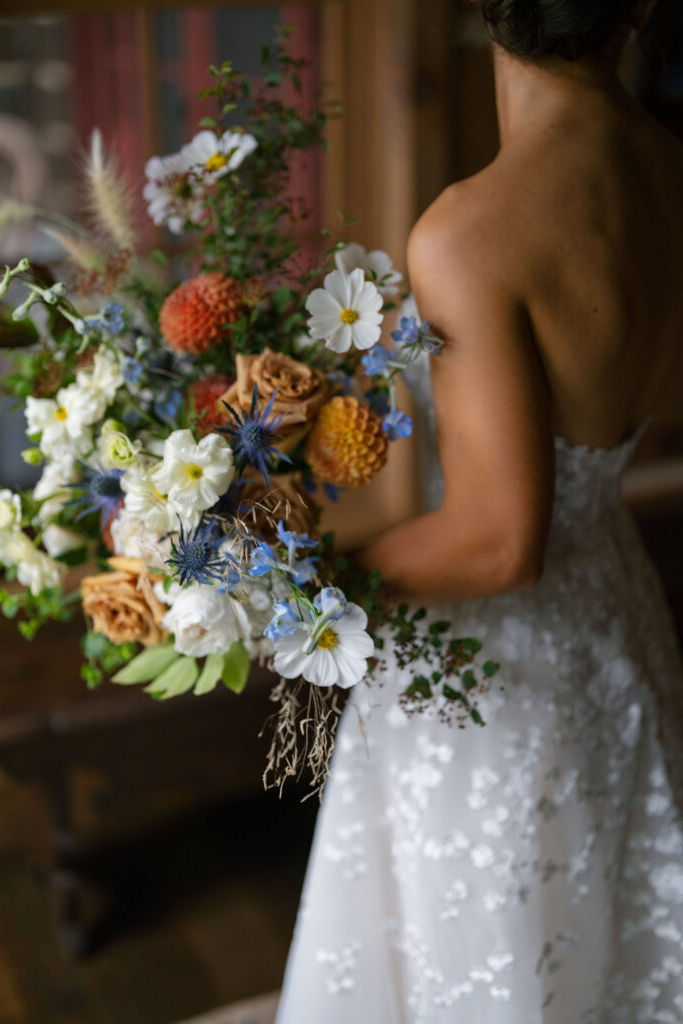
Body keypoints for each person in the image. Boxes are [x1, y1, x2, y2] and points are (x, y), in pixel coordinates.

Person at [275, 0, 683, 1020]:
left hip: (504, 685)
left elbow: (501, 543)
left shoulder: (470, 230)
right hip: (626, 625)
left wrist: (295, 589)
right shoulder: (672, 167)